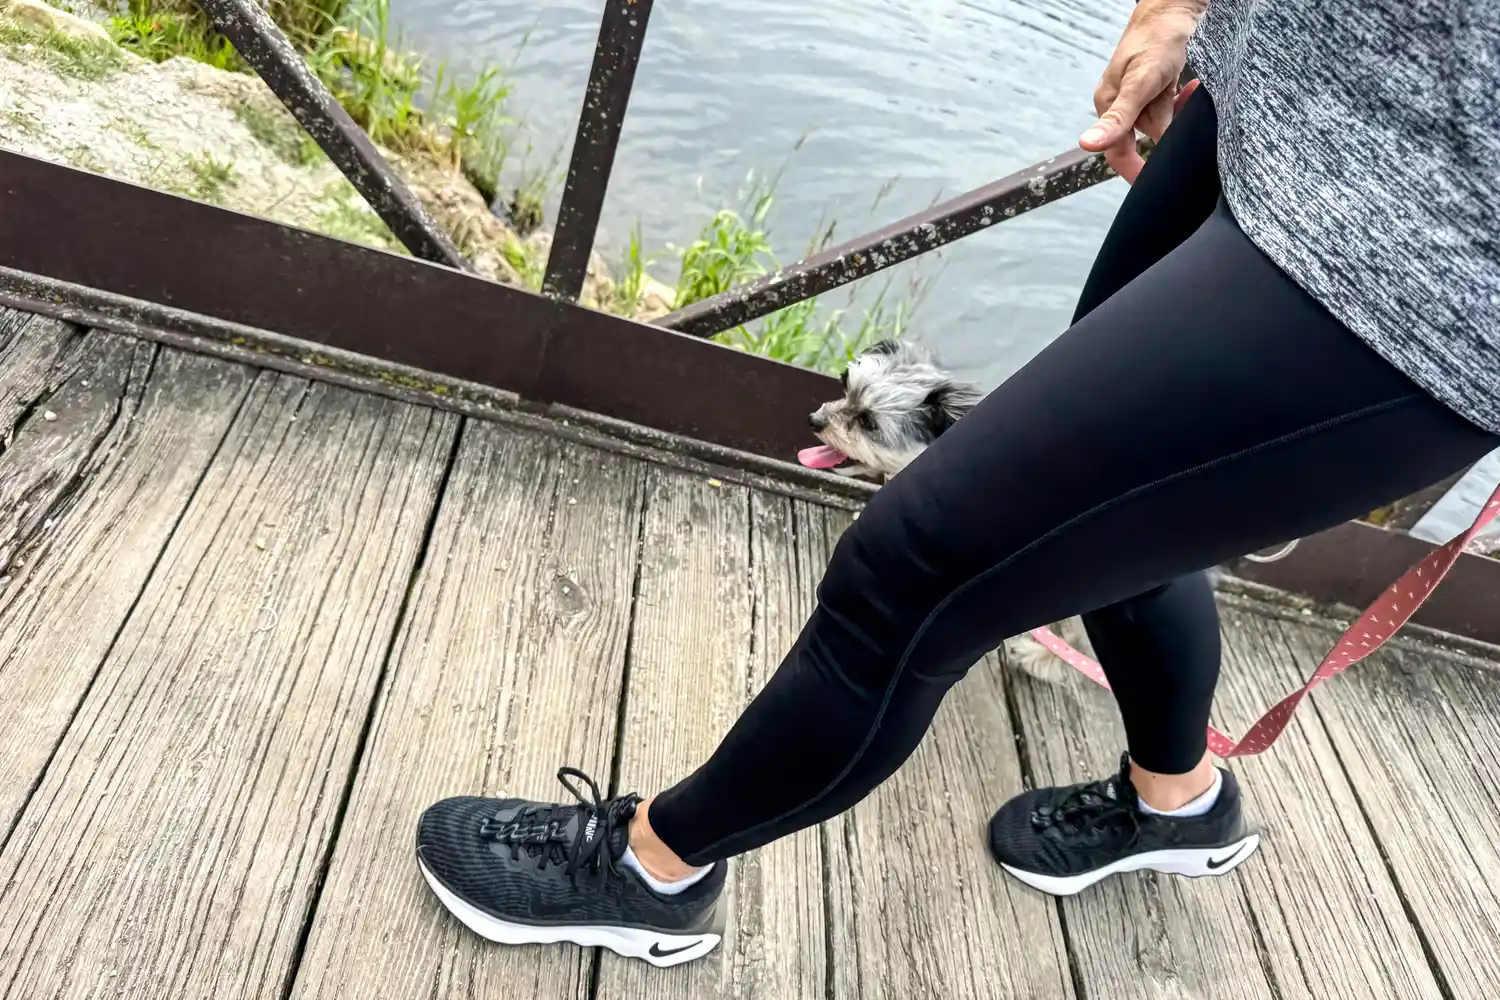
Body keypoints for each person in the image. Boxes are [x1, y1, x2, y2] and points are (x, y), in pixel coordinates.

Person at [412, 0, 1500, 967]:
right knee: (1127, 533)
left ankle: (649, 872)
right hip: (1276, 108)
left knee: (907, 571)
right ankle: (1179, 801)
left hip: (1419, 276)